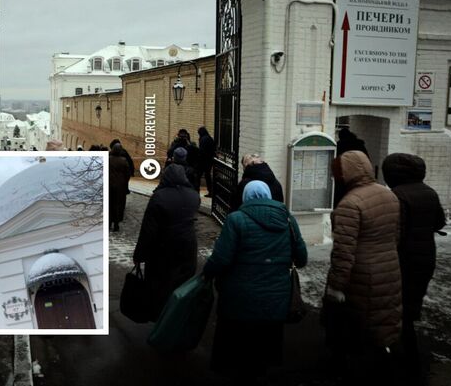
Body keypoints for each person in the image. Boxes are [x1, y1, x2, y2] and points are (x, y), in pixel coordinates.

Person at [203, 180, 307, 382]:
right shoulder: (287, 220)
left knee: (239, 349)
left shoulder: (236, 219)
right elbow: (301, 258)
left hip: (239, 297)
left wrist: (208, 272)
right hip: (275, 296)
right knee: (264, 350)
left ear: (246, 197)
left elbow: (222, 258)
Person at [326, 150, 402, 378]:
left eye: (338, 173)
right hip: (389, 268)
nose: (335, 178)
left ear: (347, 173)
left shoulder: (350, 204)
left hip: (362, 274)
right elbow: (395, 234)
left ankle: (357, 371)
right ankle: (382, 357)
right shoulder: (388, 195)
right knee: (382, 317)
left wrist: (336, 285)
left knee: (355, 322)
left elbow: (343, 251)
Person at [382, 153, 446, 378]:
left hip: (403, 257)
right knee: (411, 303)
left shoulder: (397, 196)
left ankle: (406, 357)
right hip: (426, 256)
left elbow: (395, 231)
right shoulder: (429, 191)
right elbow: (440, 222)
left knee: (398, 305)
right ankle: (409, 352)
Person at [133, 164, 200, 321]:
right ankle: (178, 314)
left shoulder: (160, 196)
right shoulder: (193, 195)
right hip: (188, 245)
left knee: (161, 283)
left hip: (163, 247)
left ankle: (161, 317)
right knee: (181, 281)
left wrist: (140, 254)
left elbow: (148, 229)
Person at [108, 144, 132, 232]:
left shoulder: (108, 159)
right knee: (118, 205)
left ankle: (109, 223)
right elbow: (128, 174)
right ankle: (116, 224)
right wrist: (125, 182)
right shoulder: (124, 161)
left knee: (109, 204)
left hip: (109, 185)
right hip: (120, 187)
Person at [197, 127, 215, 197]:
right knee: (208, 177)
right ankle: (211, 191)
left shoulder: (203, 139)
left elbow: (202, 151)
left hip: (203, 161)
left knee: (198, 176)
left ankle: (196, 191)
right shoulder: (209, 138)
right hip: (209, 161)